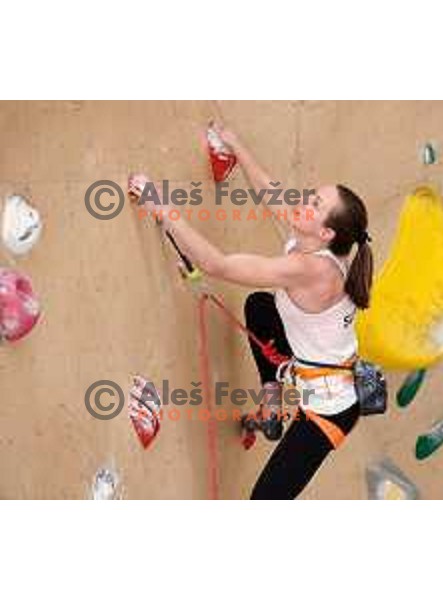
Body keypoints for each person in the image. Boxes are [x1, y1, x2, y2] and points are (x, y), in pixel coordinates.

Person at [130, 123, 373, 499]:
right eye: (312, 196)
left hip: (328, 413)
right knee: (259, 305)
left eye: (314, 204)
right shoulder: (314, 242)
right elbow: (271, 193)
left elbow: (219, 265)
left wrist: (161, 207)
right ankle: (272, 398)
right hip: (318, 368)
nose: (304, 201)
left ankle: (278, 406)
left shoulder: (312, 270)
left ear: (326, 233)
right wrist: (236, 146)